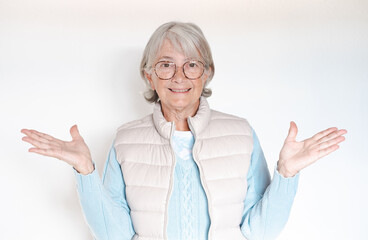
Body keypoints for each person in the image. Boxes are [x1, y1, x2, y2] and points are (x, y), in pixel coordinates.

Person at [21, 22, 347, 240]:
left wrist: (287, 174)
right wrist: (85, 171)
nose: (179, 76)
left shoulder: (241, 133)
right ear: (149, 76)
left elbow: (260, 230)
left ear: (206, 74)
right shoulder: (126, 140)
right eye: (166, 64)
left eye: (191, 64)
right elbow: (114, 234)